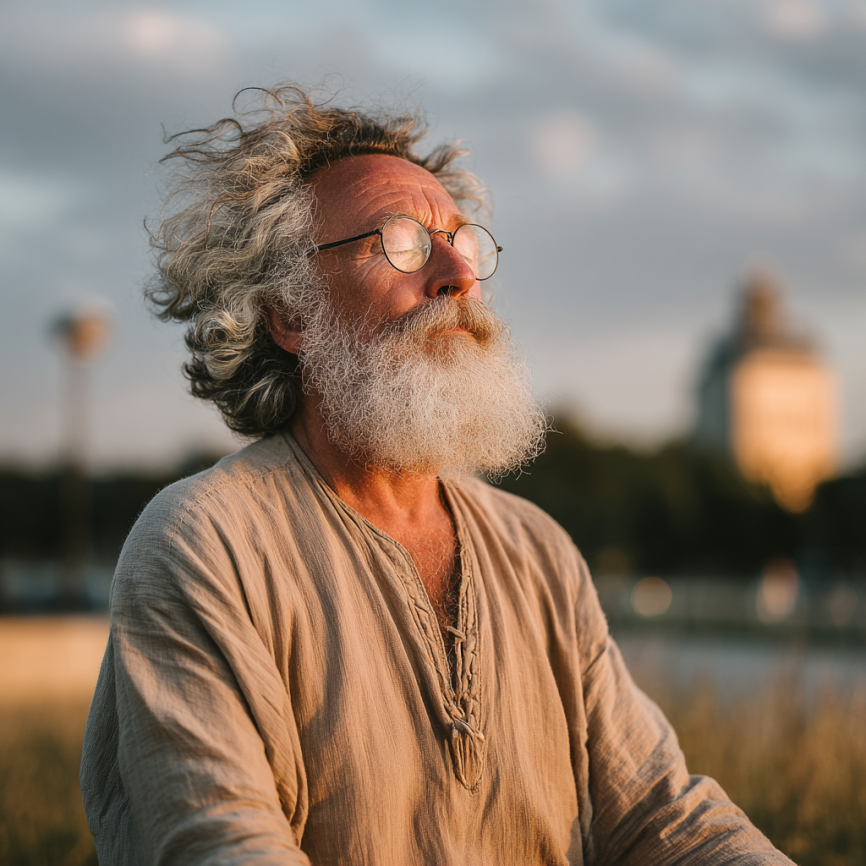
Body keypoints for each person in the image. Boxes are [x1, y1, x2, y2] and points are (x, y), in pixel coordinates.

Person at [80, 84, 793, 866]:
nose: (456, 272)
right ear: (289, 312)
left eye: (463, 241)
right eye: (401, 242)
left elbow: (662, 817)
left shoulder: (539, 551)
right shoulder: (202, 545)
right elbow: (223, 844)